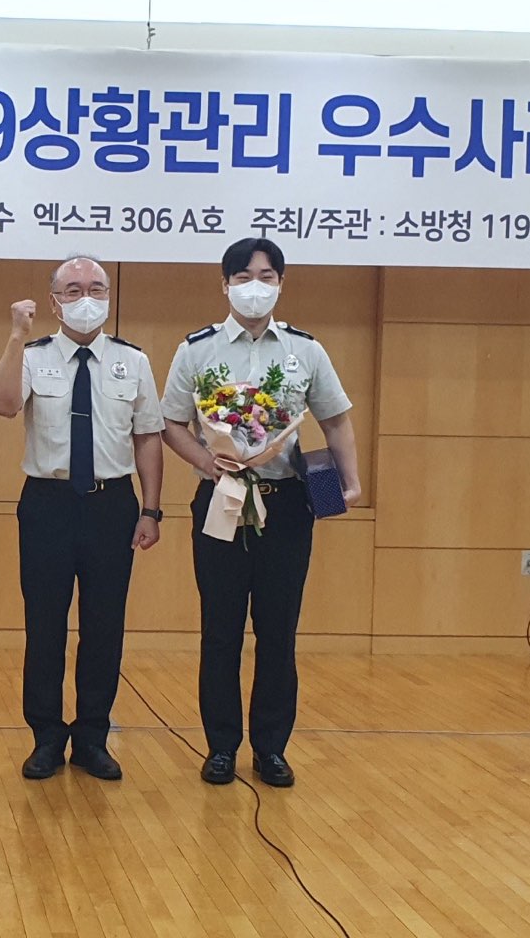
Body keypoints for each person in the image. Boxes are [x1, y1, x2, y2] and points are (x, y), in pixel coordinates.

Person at [160, 237, 360, 788]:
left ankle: (271, 748)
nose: (255, 287)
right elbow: (171, 422)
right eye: (244, 277)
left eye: (267, 277)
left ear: (281, 284)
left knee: (278, 632)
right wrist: (207, 460)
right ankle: (221, 747)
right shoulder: (196, 349)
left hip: (287, 503)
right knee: (220, 631)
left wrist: (351, 481)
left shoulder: (305, 350)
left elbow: (335, 418)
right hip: (221, 499)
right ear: (225, 285)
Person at [0, 257, 164, 781]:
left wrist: (151, 508)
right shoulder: (32, 354)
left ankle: (92, 737)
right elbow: (2, 405)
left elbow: (148, 437)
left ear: (108, 296)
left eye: (96, 289)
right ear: (54, 302)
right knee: (44, 627)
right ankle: (46, 737)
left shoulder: (133, 360)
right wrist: (15, 337)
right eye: (72, 290)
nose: (86, 298)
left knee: (104, 627)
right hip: (48, 503)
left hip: (113, 504)